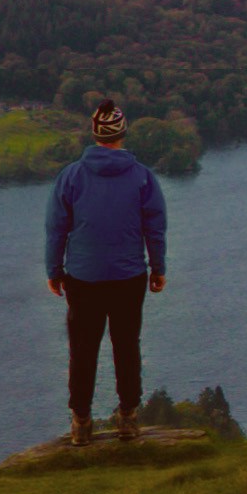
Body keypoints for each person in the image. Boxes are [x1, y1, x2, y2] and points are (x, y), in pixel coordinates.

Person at [44, 95, 170, 447]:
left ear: (95, 134)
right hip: (129, 277)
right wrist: (158, 268)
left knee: (82, 349)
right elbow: (154, 228)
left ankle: (81, 423)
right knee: (126, 346)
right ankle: (128, 418)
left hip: (82, 277)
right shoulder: (142, 178)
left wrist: (54, 271)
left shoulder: (71, 177)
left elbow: (56, 228)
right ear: (122, 134)